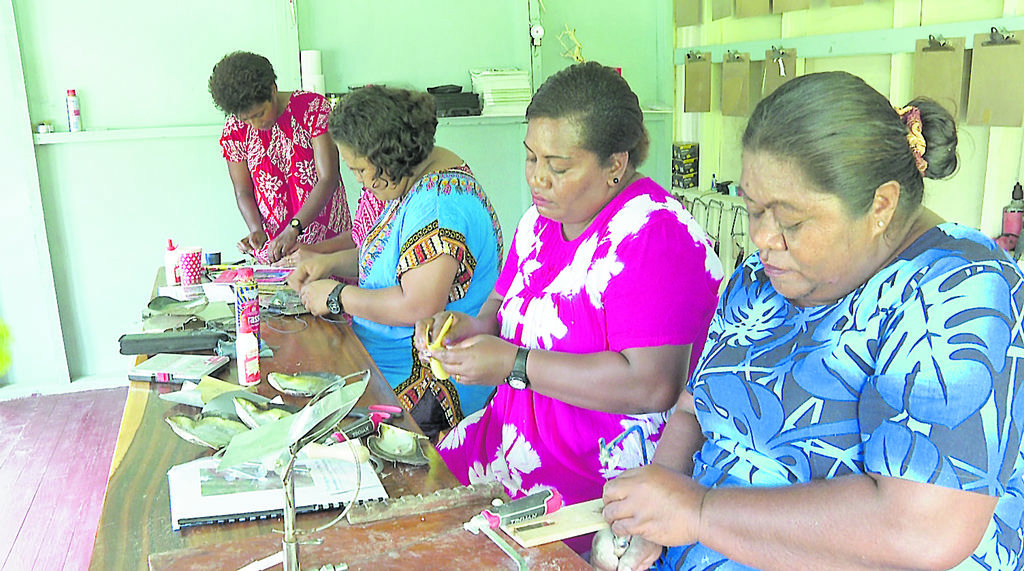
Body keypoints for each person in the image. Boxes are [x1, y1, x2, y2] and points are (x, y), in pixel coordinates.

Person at [596, 71, 1024, 571]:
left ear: (881, 205)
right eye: (753, 208)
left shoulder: (959, 288)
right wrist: (653, 513)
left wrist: (698, 513)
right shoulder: (761, 277)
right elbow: (694, 410)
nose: (762, 237)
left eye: (791, 221)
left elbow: (920, 530)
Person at [415, 61, 723, 554]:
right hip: (507, 444)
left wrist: (514, 365)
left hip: (591, 485)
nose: (538, 178)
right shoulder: (538, 223)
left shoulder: (653, 235)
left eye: (558, 167)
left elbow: (652, 385)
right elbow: (499, 306)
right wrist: (463, 328)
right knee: (408, 514)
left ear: (615, 164)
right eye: (530, 157)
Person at [288, 85, 503, 438]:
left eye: (360, 170)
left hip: (427, 386)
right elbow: (393, 264)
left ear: (390, 158)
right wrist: (329, 264)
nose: (359, 181)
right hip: (385, 361)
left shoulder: (438, 206)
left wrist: (337, 296)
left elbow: (417, 305)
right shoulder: (416, 181)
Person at [209, 51, 352, 264]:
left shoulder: (312, 108)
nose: (255, 124)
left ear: (273, 90)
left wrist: (294, 228)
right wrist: (256, 229)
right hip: (278, 250)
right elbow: (243, 191)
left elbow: (327, 179)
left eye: (259, 114)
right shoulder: (235, 130)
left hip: (326, 242)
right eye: (246, 119)